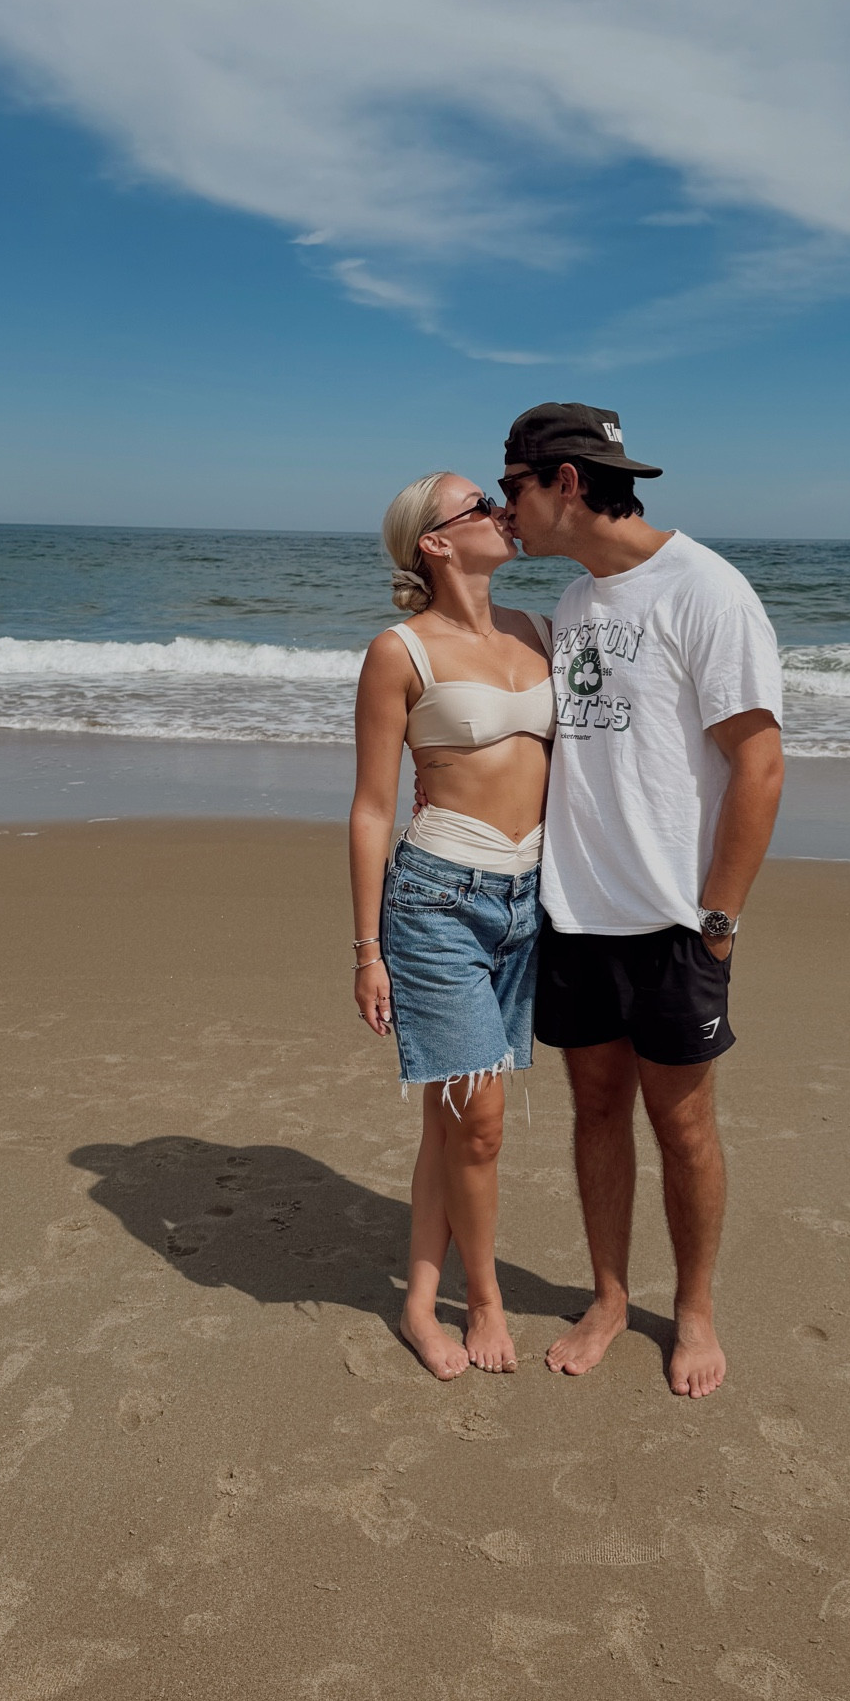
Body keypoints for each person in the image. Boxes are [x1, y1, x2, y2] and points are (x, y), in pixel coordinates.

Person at [498, 403, 784, 1398]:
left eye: (514, 486)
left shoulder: (706, 590)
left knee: (685, 1125)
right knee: (595, 1109)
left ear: (566, 483)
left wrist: (718, 917)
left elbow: (759, 763)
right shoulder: (577, 600)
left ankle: (693, 1307)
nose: (507, 508)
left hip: (674, 923)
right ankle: (611, 1295)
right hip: (573, 913)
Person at [349, 472, 555, 1380]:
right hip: (438, 900)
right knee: (481, 1123)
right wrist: (367, 951)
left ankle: (416, 1303)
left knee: (451, 1118)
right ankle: (487, 1301)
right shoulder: (400, 650)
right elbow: (368, 809)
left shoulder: (538, 630)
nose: (501, 514)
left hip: (531, 898)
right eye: (479, 506)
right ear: (434, 542)